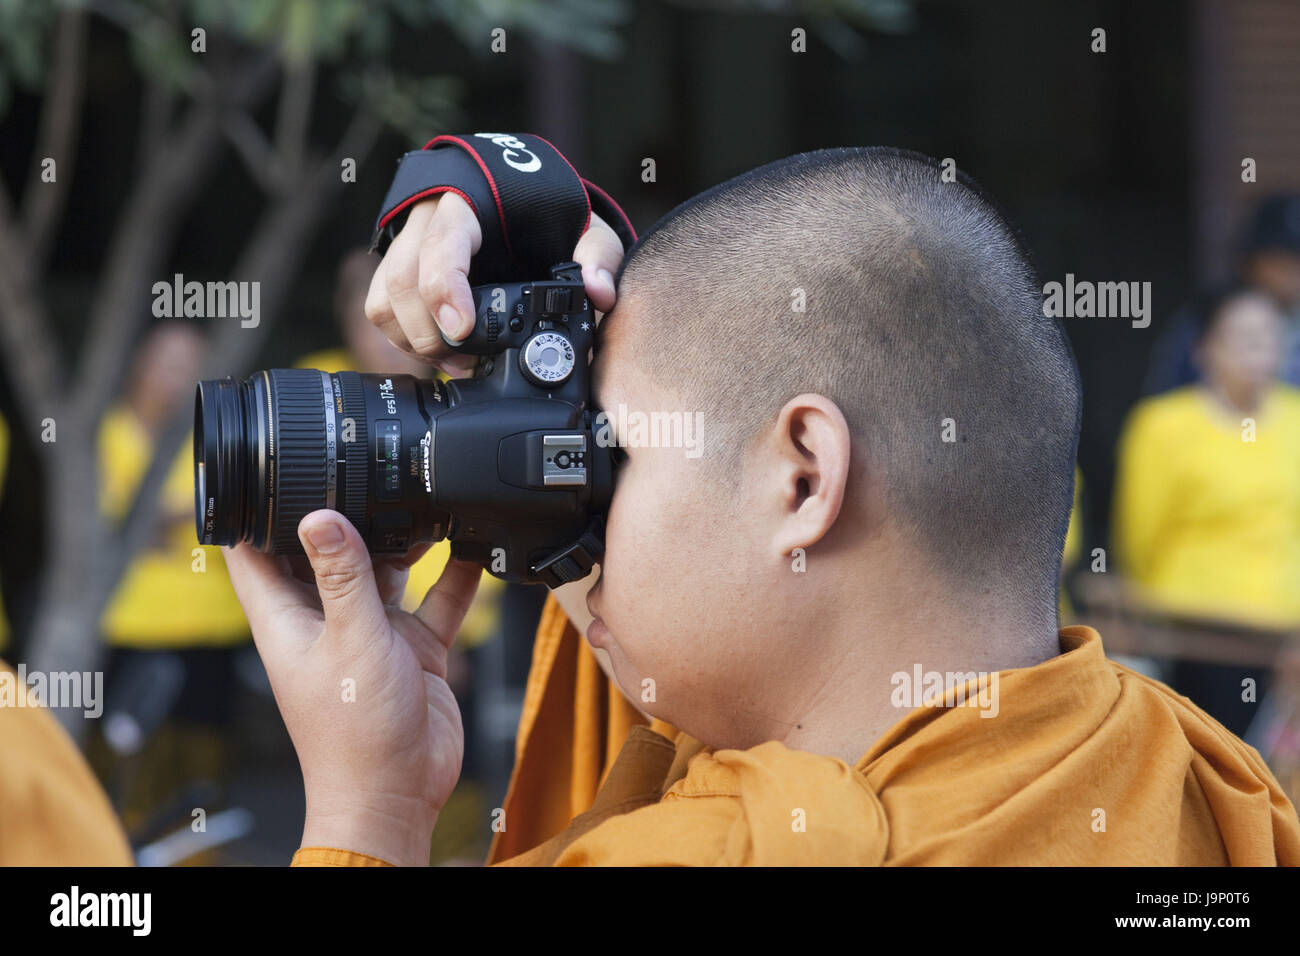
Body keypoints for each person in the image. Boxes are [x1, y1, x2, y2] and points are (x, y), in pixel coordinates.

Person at [226, 147, 1300, 865]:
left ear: (800, 476)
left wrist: (369, 815)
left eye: (614, 453)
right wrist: (534, 219)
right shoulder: (1211, 783)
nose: (578, 513)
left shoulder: (725, 847)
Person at [1112, 286, 1300, 737]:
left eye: (1267, 337)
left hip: (1289, 639)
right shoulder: (1163, 426)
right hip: (1201, 637)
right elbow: (1140, 536)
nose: (1257, 350)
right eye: (1242, 337)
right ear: (1204, 348)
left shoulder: (1295, 418)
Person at [94, 320, 251, 834]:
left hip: (212, 627)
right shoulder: (105, 434)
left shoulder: (217, 435)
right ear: (140, 362)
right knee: (125, 761)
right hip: (133, 625)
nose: (180, 377)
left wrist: (170, 519)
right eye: (169, 362)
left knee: (203, 761)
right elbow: (111, 525)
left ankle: (198, 853)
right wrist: (192, 513)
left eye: (193, 365)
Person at [1143, 193, 1300, 394]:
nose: (1293, 273)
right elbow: (1172, 400)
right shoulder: (1210, 318)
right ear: (1251, 262)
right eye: (1281, 261)